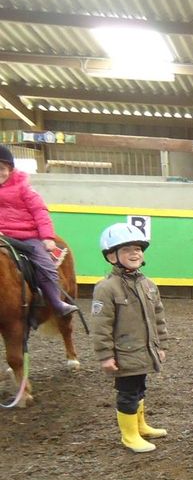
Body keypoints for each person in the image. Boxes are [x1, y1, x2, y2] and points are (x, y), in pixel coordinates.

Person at [91, 223, 169, 454]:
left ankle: (140, 425)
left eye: (138, 249)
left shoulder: (148, 285)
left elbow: (158, 318)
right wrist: (105, 356)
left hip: (144, 351)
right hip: (124, 354)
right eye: (126, 250)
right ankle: (129, 435)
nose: (135, 253)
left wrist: (161, 345)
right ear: (111, 256)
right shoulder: (106, 288)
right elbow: (101, 326)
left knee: (139, 388)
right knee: (127, 393)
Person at [0, 144, 78, 318]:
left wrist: (47, 237)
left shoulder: (24, 189)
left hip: (27, 237)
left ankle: (56, 302)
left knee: (45, 265)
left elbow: (40, 212)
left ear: (10, 169)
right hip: (2, 237)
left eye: (1, 168)